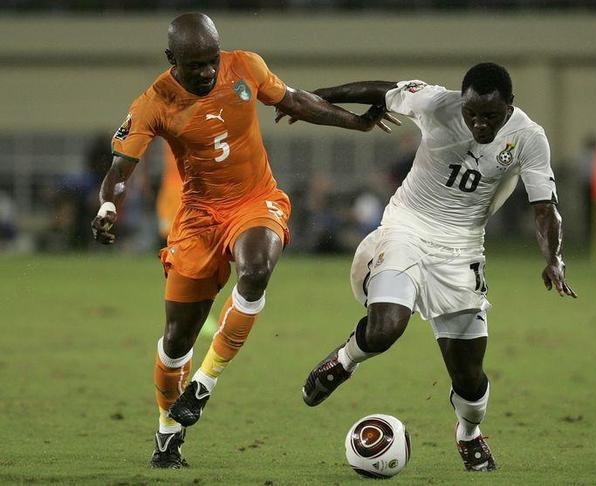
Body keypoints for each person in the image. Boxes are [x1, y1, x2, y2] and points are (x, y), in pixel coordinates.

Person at [90, 12, 392, 469]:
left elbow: (295, 100)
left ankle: (204, 383)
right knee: (176, 341)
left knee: (256, 270)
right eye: (195, 65)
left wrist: (358, 123)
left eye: (212, 60)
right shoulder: (153, 103)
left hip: (256, 201)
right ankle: (168, 432)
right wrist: (107, 208)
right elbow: (119, 171)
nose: (208, 71)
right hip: (198, 218)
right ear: (172, 59)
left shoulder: (246, 66)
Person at [284, 64, 578, 472]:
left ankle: (469, 433)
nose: (479, 123)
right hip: (407, 227)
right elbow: (382, 89)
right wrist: (314, 98)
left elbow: (545, 207)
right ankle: (344, 361)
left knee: (469, 378)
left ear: (509, 106)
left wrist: (553, 258)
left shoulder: (529, 137)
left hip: (462, 248)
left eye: (490, 116)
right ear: (462, 102)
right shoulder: (437, 103)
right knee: (386, 327)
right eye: (471, 113)